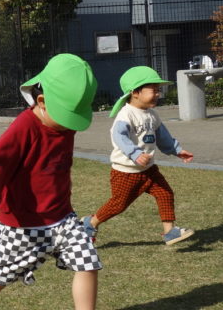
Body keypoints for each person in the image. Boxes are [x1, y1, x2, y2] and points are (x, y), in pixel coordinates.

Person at [0, 54, 126, 310]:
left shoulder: (65, 127)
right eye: (65, 117)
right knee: (2, 272)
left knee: (87, 260)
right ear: (42, 101)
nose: (68, 126)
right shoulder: (23, 128)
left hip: (62, 216)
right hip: (22, 223)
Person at [83, 66, 195, 247]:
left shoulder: (152, 114)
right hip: (127, 171)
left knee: (165, 193)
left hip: (148, 169)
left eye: (158, 90)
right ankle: (90, 223)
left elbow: (162, 136)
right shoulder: (126, 114)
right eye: (153, 90)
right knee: (118, 204)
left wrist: (177, 150)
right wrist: (135, 154)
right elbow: (119, 136)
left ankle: (169, 232)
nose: (158, 94)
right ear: (135, 92)